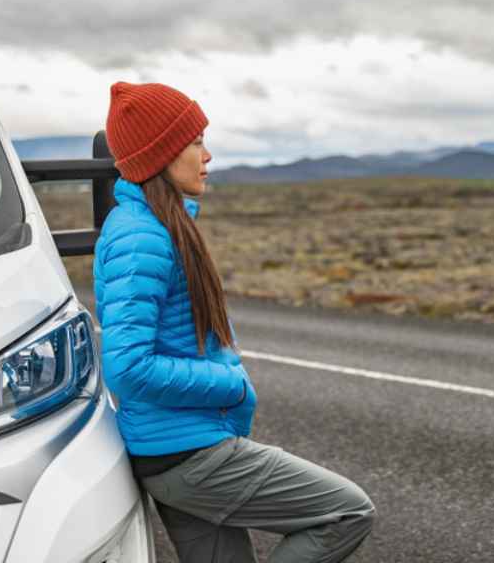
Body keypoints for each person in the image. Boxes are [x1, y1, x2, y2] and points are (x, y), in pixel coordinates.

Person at [94, 81, 375, 563]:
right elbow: (127, 367)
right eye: (196, 141)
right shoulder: (142, 238)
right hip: (188, 454)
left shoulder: (158, 226)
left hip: (175, 449)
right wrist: (228, 382)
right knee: (346, 512)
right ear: (160, 153)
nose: (207, 155)